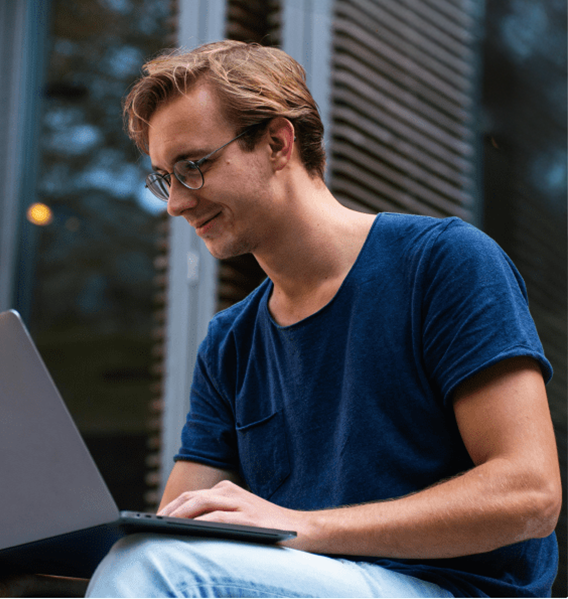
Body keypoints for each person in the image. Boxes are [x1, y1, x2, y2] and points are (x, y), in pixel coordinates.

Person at [82, 39, 560, 597]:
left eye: (193, 166)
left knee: (155, 571)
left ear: (278, 143)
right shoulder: (230, 343)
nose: (176, 204)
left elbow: (530, 495)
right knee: (146, 558)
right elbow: (176, 528)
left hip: (454, 589)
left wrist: (303, 527)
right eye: (165, 177)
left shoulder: (443, 262)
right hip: (318, 581)